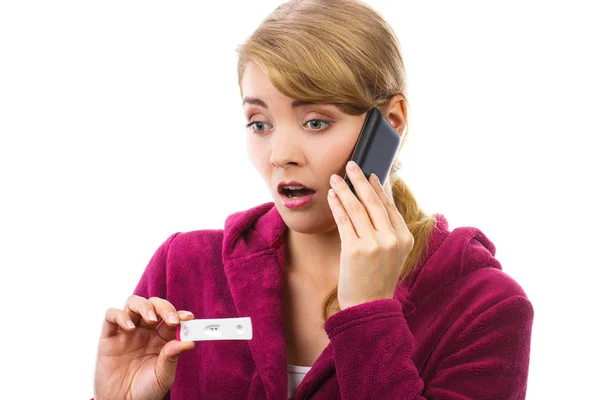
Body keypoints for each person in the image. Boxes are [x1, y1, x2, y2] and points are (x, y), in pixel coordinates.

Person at [93, 0, 534, 399]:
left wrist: (369, 316)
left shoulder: (484, 307)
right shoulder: (184, 269)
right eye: (260, 123)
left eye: (316, 122)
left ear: (391, 124)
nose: (281, 156)